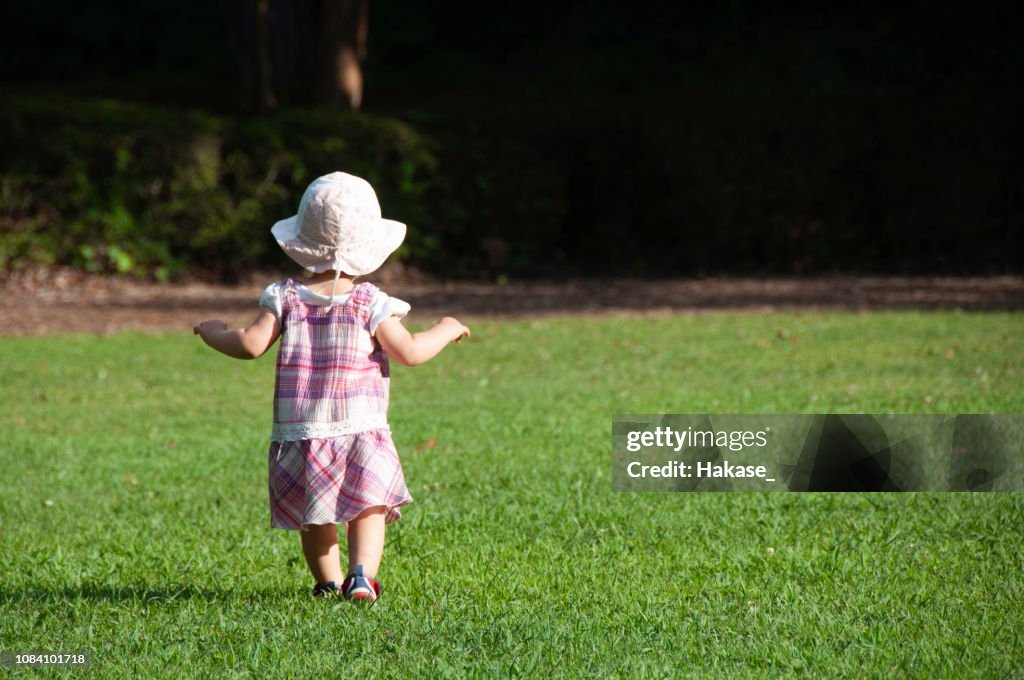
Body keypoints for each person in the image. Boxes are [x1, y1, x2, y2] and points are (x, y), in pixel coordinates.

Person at [194, 172, 470, 602]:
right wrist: (446, 328)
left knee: (315, 514)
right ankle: (361, 577)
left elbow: (250, 345)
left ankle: (326, 583)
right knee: (368, 505)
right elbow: (411, 352)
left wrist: (213, 332)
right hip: (360, 426)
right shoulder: (370, 303)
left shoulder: (284, 297)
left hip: (304, 430)